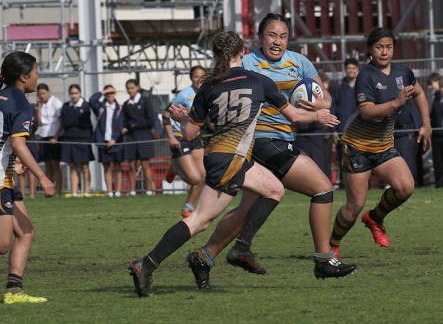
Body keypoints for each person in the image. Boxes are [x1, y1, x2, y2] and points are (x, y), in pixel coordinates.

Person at [128, 31, 345, 297]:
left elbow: (190, 134)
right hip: (233, 158)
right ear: (241, 52)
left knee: (271, 191)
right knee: (200, 220)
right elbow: (295, 115)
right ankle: (151, 263)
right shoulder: (258, 80)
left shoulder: (209, 85)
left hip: (221, 155)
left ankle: (226, 250)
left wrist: (185, 117)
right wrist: (319, 116)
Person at [186, 13, 357, 291]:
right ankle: (324, 259)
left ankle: (205, 256)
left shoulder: (299, 62)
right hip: (259, 141)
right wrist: (194, 113)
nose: (277, 41)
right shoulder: (248, 62)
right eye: (271, 35)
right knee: (323, 189)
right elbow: (218, 87)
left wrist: (306, 100)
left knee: (246, 210)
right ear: (259, 37)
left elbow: (325, 99)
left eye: (283, 36)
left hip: (280, 138)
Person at [329, 28, 431, 258]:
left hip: (383, 146)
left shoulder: (403, 72)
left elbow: (420, 94)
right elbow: (366, 113)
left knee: (406, 187)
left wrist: (426, 123)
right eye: (379, 47)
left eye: (389, 47)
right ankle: (332, 246)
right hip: (357, 147)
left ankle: (375, 218)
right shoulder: (366, 75)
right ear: (370, 50)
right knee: (354, 206)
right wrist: (395, 103)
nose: (384, 52)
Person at [0, 51, 54, 304]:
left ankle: (13, 291)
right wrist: (42, 177)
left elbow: (8, 142)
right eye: (35, 72)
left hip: (7, 175)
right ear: (23, 77)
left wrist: (15, 161)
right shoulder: (21, 103)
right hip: (0, 178)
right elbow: (19, 145)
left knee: (26, 230)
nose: (37, 77)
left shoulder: (4, 97)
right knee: (1, 244)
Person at [163, 66, 207, 217]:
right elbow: (165, 114)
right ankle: (175, 167)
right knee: (194, 178)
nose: (199, 79)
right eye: (195, 76)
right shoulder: (184, 95)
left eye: (202, 76)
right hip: (180, 138)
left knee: (203, 176)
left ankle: (188, 207)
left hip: (195, 138)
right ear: (191, 78)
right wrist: (171, 137)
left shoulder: (206, 94)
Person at [294, 71, 333, 179]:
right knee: (302, 163)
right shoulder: (301, 93)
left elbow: (331, 113)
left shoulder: (327, 98)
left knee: (320, 163)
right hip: (301, 133)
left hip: (318, 132)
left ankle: (324, 183)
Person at [122, 78, 156, 196]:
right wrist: (125, 127)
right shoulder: (126, 105)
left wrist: (135, 125)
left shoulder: (145, 101)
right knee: (131, 165)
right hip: (131, 137)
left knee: (145, 164)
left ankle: (149, 190)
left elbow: (152, 120)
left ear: (137, 87)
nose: (130, 90)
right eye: (128, 89)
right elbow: (124, 121)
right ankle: (132, 191)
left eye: (132, 88)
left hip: (144, 135)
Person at [59, 84, 94, 197]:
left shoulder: (86, 106)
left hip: (83, 139)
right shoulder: (65, 106)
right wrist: (74, 120)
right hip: (69, 138)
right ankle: (74, 192)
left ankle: (86, 191)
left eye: (76, 93)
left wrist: (73, 120)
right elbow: (65, 122)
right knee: (73, 166)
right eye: (71, 93)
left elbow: (84, 122)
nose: (73, 96)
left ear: (80, 93)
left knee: (85, 166)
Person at [90, 85, 125, 197]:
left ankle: (118, 191)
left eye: (112, 93)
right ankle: (110, 191)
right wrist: (102, 91)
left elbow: (120, 125)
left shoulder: (120, 108)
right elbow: (92, 100)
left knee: (118, 167)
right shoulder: (100, 107)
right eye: (107, 94)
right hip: (103, 141)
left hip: (116, 142)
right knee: (107, 167)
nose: (110, 96)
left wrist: (114, 139)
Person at [330, 58, 360, 188]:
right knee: (343, 159)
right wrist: (334, 131)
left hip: (360, 131)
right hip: (343, 131)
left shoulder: (363, 87)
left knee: (360, 159)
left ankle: (363, 185)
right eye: (349, 68)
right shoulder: (338, 88)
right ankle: (343, 184)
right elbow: (333, 110)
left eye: (353, 68)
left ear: (358, 70)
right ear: (345, 70)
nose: (351, 71)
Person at [36, 83, 63, 196]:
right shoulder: (40, 105)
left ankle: (59, 192)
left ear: (48, 92)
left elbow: (61, 121)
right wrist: (37, 108)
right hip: (44, 136)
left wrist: (56, 136)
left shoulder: (56, 102)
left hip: (54, 136)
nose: (41, 96)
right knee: (47, 165)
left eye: (43, 93)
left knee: (55, 165)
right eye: (39, 94)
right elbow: (40, 122)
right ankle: (49, 191)